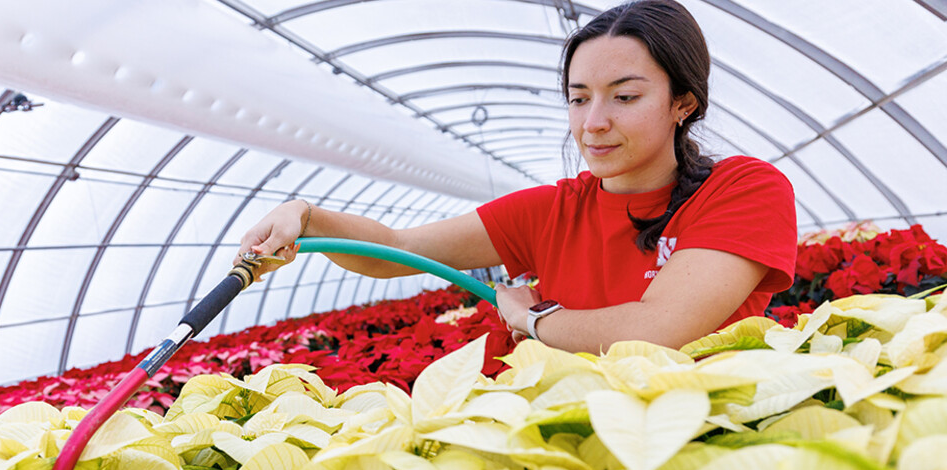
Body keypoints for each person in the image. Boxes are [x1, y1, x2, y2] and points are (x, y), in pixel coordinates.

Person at [237, 0, 797, 354]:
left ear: (683, 103)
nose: (593, 123)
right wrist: (305, 217)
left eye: (624, 97)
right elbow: (394, 250)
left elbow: (656, 333)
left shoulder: (743, 190)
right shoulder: (550, 210)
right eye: (578, 99)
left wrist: (534, 321)